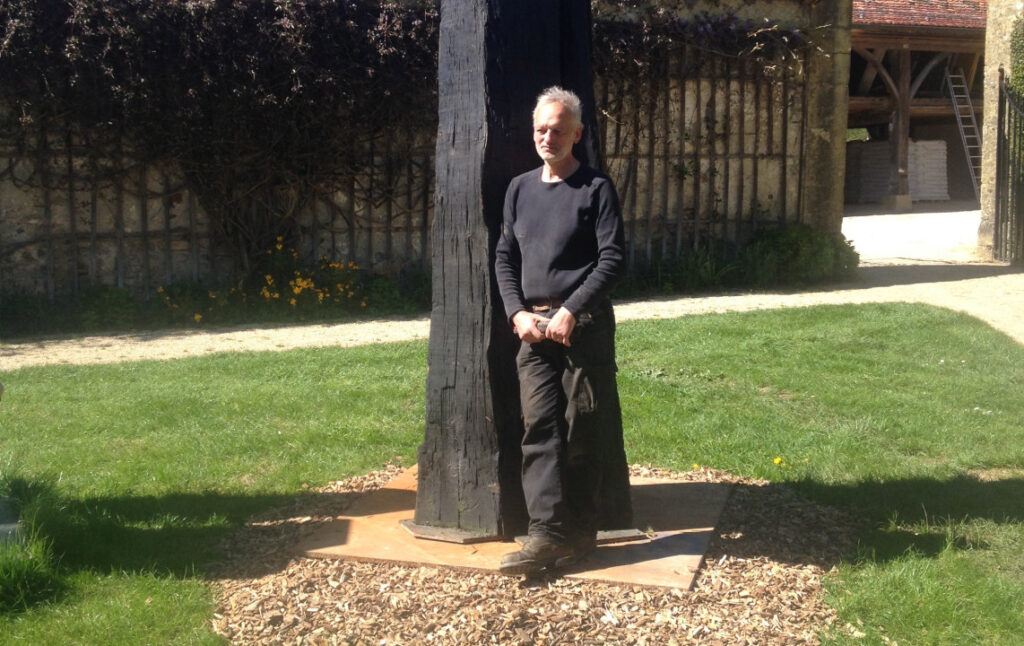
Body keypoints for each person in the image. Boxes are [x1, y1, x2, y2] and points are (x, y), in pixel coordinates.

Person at [494, 86, 629, 576]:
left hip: (581, 330)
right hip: (534, 331)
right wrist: (517, 313)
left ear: (576, 133)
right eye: (540, 129)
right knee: (540, 429)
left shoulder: (596, 189)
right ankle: (545, 535)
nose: (547, 137)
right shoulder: (519, 189)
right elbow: (505, 258)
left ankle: (580, 532)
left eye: (557, 129)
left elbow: (613, 258)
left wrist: (572, 309)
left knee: (582, 430)